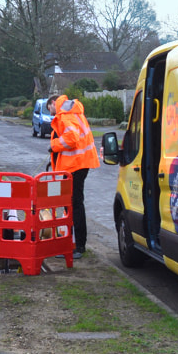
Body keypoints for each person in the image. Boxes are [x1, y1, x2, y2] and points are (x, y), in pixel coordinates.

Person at [47, 94, 100, 259]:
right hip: (79, 164)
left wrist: (54, 145)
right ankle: (75, 244)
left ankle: (77, 246)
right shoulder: (73, 111)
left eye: (50, 109)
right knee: (74, 204)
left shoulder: (65, 114)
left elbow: (72, 139)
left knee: (73, 205)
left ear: (53, 103)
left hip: (75, 165)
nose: (51, 113)